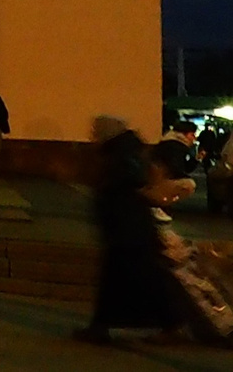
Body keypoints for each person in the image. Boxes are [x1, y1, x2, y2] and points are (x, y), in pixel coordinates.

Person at [78, 115, 176, 344]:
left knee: (133, 279)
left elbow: (132, 180)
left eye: (96, 131)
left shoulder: (123, 153)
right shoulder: (124, 149)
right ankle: (101, 326)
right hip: (126, 227)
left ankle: (170, 324)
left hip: (128, 228)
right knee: (128, 279)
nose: (93, 136)